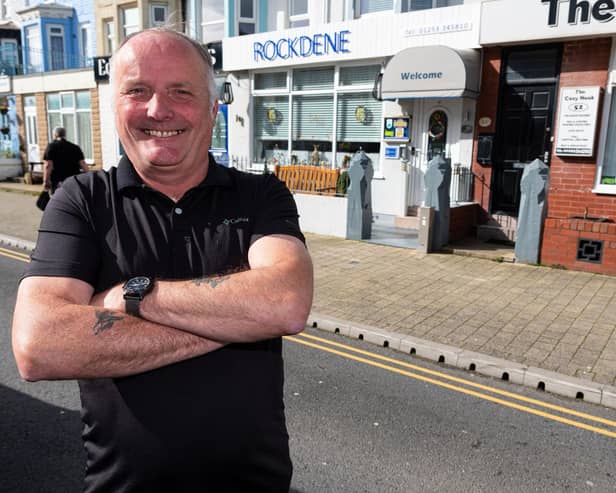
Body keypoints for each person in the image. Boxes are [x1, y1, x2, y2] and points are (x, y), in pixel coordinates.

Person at [12, 28, 313, 492]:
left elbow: (286, 302)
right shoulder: (82, 200)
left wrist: (129, 296)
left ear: (213, 109)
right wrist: (241, 316)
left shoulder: (260, 195)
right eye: (138, 91)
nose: (158, 110)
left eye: (180, 91)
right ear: (116, 109)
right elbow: (38, 346)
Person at [42, 126, 89, 193]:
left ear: (55, 135)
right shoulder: (75, 147)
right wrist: (89, 177)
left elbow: (48, 165)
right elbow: (83, 164)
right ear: (65, 135)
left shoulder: (51, 147)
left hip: (57, 181)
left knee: (58, 201)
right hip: (73, 181)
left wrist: (46, 181)